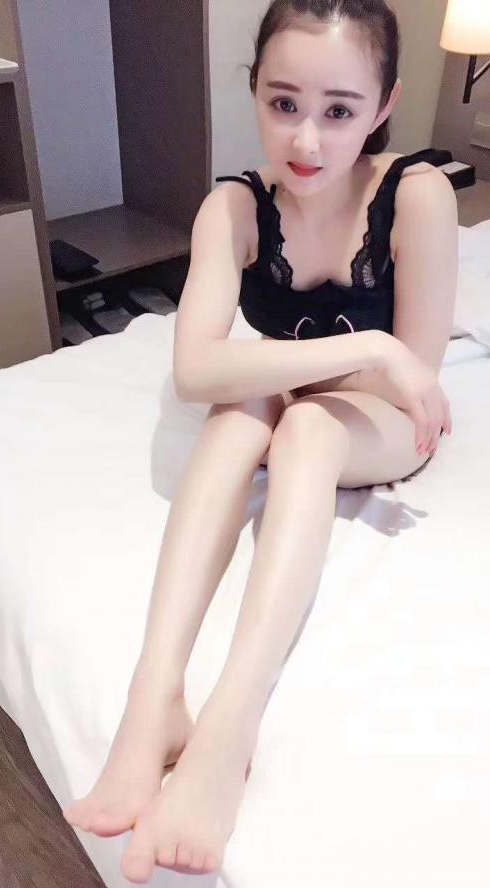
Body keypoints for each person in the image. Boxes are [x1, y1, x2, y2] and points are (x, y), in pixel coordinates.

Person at [62, 0, 457, 881]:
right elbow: (196, 370)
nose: (306, 140)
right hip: (338, 382)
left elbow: (415, 378)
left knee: (303, 424)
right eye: (284, 104)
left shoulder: (418, 196)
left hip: (387, 425)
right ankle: (153, 699)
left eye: (340, 111)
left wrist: (342, 371)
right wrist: (366, 346)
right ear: (254, 93)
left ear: (386, 104)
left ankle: (227, 729)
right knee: (241, 405)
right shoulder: (235, 207)